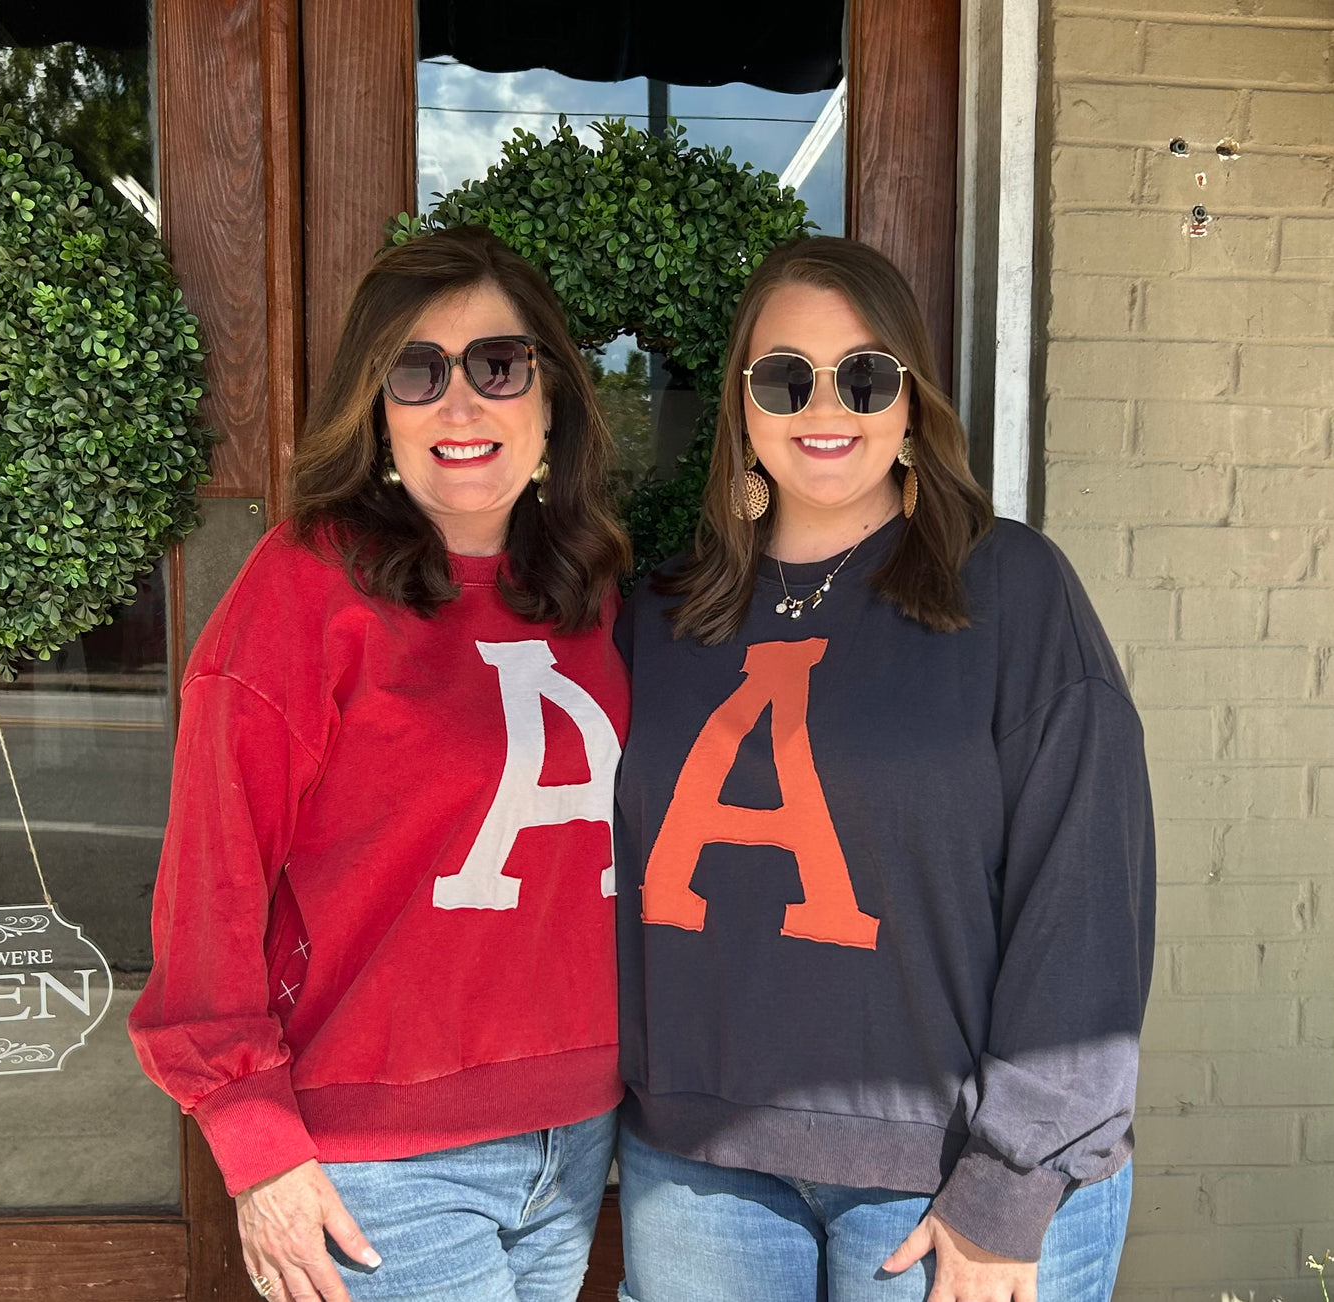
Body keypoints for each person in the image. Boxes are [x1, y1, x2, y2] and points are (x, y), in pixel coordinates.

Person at [613, 236, 1154, 1302]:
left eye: (864, 376)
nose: (826, 408)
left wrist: (1009, 1183)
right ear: (740, 406)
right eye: (784, 377)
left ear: (910, 401)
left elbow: (1083, 902)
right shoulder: (664, 617)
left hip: (946, 1184)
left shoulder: (1009, 591)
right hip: (698, 1171)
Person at [129, 225, 631, 1302]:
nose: (461, 403)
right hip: (381, 1161)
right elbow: (211, 886)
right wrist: (254, 1140)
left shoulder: (590, 588)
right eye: (418, 372)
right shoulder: (308, 588)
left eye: (497, 365)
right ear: (377, 407)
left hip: (578, 1140)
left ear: (550, 399)